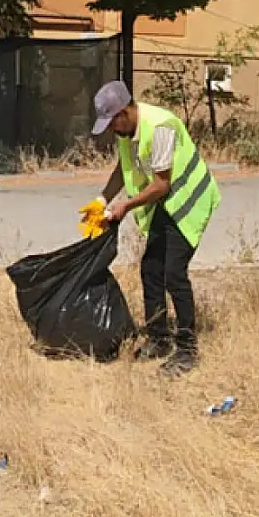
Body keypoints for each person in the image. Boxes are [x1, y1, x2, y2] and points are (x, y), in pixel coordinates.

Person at [80, 80, 221, 377]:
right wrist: (102, 198)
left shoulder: (160, 127)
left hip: (188, 202)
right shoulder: (127, 130)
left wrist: (124, 207)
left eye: (111, 122)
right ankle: (158, 338)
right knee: (151, 268)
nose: (110, 130)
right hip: (166, 203)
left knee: (174, 274)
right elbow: (124, 168)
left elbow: (161, 184)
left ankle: (187, 349)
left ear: (125, 111)